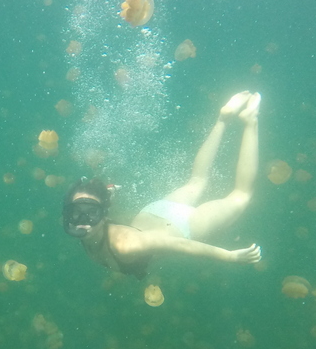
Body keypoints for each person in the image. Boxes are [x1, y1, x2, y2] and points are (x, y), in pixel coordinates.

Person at [62, 91, 262, 279]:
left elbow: (177, 244)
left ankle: (250, 121)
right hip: (155, 212)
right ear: (66, 214)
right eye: (76, 212)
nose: (83, 220)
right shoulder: (91, 233)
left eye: (91, 213)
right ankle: (222, 120)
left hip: (181, 226)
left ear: (103, 216)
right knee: (197, 181)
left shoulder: (127, 245)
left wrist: (229, 256)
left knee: (241, 196)